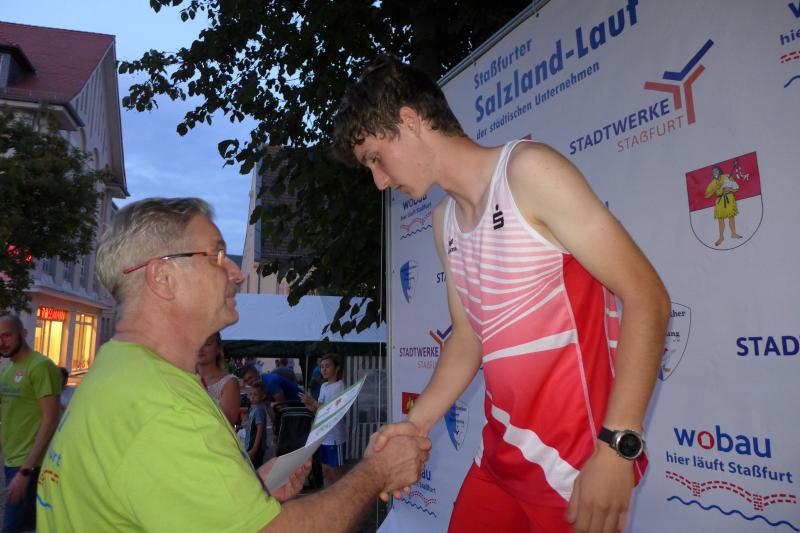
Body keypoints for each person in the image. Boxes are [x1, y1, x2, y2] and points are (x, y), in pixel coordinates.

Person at [333, 56, 671, 533]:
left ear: (409, 121)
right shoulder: (444, 222)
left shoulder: (528, 172)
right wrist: (415, 424)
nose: (379, 181)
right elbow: (468, 338)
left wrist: (618, 449)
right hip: (499, 459)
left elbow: (646, 297)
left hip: (574, 470)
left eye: (375, 158)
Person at [36, 197, 431, 532]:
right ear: (163, 277)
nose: (237, 273)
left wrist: (248, 489)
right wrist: (377, 471)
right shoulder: (164, 406)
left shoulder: (117, 369)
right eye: (216, 256)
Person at [0, 312, 62, 532]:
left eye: (7, 335)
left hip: (31, 465)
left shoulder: (40, 366)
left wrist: (25, 471)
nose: (2, 342)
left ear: (23, 333)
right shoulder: (7, 370)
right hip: (12, 461)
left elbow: (51, 419)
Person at [301, 354, 346, 486]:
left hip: (335, 437)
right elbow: (320, 411)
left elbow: (332, 411)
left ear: (337, 368)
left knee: (335, 473)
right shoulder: (324, 386)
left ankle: (340, 496)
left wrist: (313, 403)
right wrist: (308, 404)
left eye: (327, 366)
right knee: (325, 471)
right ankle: (328, 495)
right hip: (323, 437)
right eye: (322, 367)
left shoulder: (340, 386)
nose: (324, 370)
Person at [197, 331, 241, 426]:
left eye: (207, 344)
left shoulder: (229, 382)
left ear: (218, 349)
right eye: (197, 342)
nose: (201, 348)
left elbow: (228, 421)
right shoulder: (184, 377)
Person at [704, 165, 742, 246]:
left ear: (719, 171)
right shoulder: (713, 182)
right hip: (719, 201)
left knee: (731, 217)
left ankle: (733, 234)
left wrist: (729, 189)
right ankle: (721, 237)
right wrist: (715, 188)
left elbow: (736, 188)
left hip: (729, 198)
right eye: (713, 171)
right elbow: (706, 195)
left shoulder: (727, 176)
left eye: (716, 170)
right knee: (720, 220)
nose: (715, 172)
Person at [246, 381, 269, 467]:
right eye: (251, 394)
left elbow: (260, 430)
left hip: (255, 446)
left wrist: (254, 450)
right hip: (252, 444)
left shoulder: (259, 409)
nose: (252, 397)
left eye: (255, 395)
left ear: (263, 396)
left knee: (254, 469)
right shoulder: (255, 408)